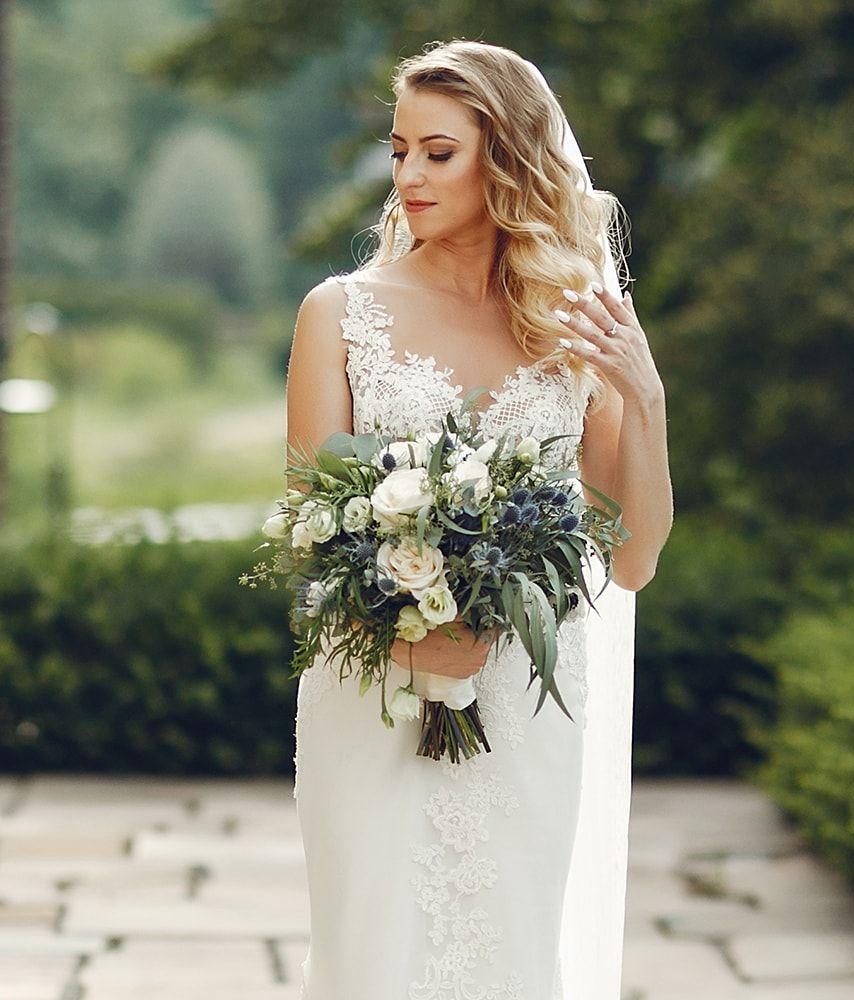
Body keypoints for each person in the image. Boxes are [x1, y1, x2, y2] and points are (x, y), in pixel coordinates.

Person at [285, 39, 672, 1000]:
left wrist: (646, 399)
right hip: (373, 693)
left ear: (505, 158)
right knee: (372, 951)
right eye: (399, 148)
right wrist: (414, 643)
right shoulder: (339, 314)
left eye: (438, 151)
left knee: (509, 954)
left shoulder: (575, 323)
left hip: (530, 699)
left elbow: (633, 559)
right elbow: (309, 532)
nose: (408, 174)